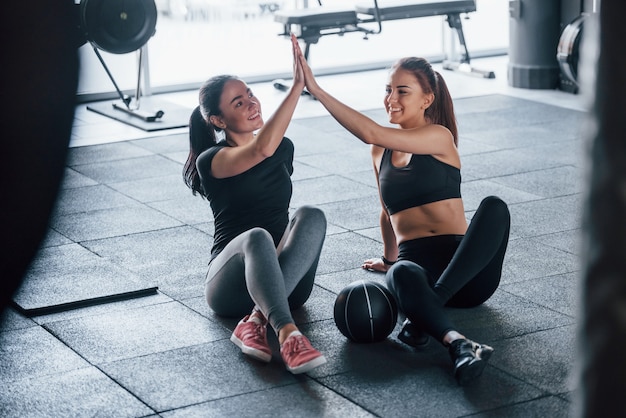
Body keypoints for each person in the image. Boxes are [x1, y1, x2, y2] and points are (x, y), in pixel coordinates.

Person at [296, 45, 510, 385]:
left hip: (466, 273)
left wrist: (317, 90)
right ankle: (458, 344)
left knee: (495, 207)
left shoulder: (439, 137)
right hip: (418, 275)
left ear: (427, 99)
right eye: (388, 90)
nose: (391, 98)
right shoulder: (379, 150)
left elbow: (370, 130)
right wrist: (388, 258)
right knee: (399, 272)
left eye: (402, 91)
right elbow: (387, 212)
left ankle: (426, 312)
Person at [183, 35, 327, 374]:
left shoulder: (283, 147)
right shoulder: (212, 160)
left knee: (312, 215)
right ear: (218, 121)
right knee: (257, 236)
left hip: (286, 284)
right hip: (230, 288)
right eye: (238, 102)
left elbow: (269, 148)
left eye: (250, 94)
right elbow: (259, 151)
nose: (251, 103)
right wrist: (296, 88)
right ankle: (288, 334)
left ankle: (258, 319)